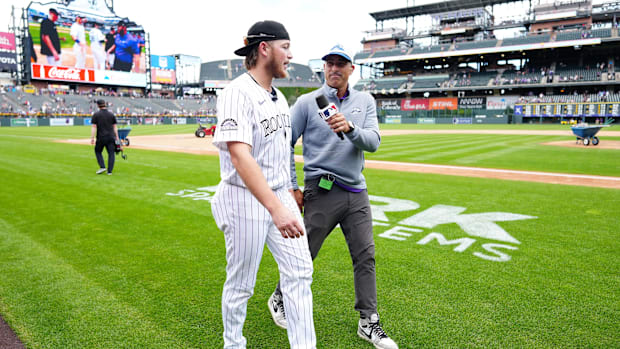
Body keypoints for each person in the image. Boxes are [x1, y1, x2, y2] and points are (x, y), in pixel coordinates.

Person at [269, 44, 398, 349]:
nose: (335, 68)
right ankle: (279, 298)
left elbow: (374, 142)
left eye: (342, 64)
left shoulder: (365, 101)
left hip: (356, 191)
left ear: (351, 69)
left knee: (365, 256)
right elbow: (284, 143)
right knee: (304, 255)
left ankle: (368, 321)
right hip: (321, 189)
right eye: (330, 63)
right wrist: (292, 186)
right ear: (324, 68)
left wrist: (351, 128)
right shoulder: (307, 102)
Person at [210, 20, 316, 349]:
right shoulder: (236, 93)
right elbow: (241, 158)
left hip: (279, 196)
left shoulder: (279, 98)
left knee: (300, 272)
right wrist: (276, 208)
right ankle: (234, 344)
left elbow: (283, 151)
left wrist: (290, 191)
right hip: (244, 199)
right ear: (265, 48)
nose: (290, 54)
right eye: (285, 47)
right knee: (242, 283)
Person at [90, 99, 119, 175]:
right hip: (111, 137)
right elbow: (115, 127)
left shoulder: (96, 114)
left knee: (98, 151)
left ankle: (102, 166)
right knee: (111, 153)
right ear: (105, 104)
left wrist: (92, 138)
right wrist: (117, 138)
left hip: (101, 137)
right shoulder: (111, 114)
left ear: (98, 105)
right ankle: (109, 171)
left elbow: (94, 127)